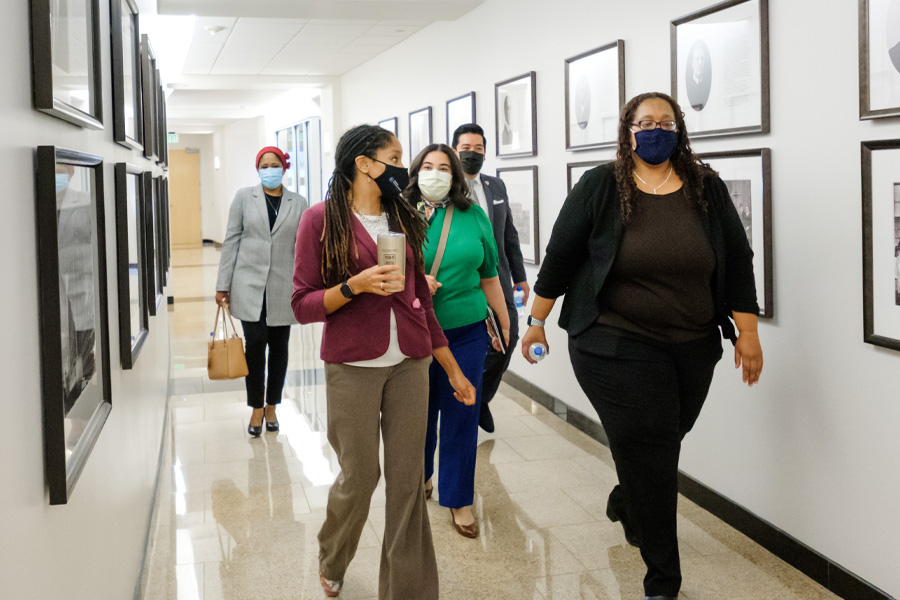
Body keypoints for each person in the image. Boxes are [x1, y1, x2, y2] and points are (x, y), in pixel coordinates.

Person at [521, 92, 764, 600]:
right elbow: (561, 257)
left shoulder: (705, 188)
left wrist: (749, 333)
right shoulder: (600, 186)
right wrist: (536, 321)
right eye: (646, 122)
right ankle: (663, 581)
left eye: (666, 121)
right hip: (613, 340)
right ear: (627, 130)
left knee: (661, 442)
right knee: (653, 447)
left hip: (694, 343)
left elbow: (738, 262)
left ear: (680, 129)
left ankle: (630, 501)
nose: (657, 129)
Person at [291, 125, 476, 599]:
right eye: (393, 157)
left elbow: (421, 302)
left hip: (410, 364)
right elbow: (302, 303)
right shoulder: (319, 220)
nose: (402, 167)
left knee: (407, 482)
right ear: (365, 164)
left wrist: (453, 370)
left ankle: (406, 591)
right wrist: (356, 285)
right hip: (352, 364)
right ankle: (333, 554)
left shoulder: (405, 216)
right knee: (361, 477)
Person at [402, 143, 510, 538]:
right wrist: (414, 283)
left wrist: (503, 319)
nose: (435, 174)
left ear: (455, 175)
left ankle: (459, 499)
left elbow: (489, 274)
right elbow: (382, 271)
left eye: (443, 168)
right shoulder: (397, 216)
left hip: (465, 332)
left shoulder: (473, 215)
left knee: (463, 415)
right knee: (418, 416)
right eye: (427, 166)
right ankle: (422, 477)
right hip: (414, 334)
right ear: (416, 172)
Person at [215, 146, 308, 437]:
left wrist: (308, 285)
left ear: (284, 168)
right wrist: (222, 284)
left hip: (284, 287)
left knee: (279, 349)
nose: (270, 170)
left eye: (275, 164)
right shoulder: (244, 197)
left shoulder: (298, 202)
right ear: (258, 169)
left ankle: (272, 406)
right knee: (255, 345)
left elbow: (304, 248)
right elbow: (231, 240)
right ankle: (256, 406)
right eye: (264, 165)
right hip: (248, 284)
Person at [452, 123, 529, 432]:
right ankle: (460, 397)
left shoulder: (496, 186)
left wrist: (520, 275)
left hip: (496, 277)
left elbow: (509, 233)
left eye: (478, 149)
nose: (472, 154)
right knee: (469, 341)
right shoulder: (443, 189)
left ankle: (480, 396)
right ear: (454, 150)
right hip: (461, 279)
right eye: (466, 149)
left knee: (506, 340)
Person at [685, 40, 711, 111]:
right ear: (692, 63)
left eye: (702, 59)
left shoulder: (707, 85)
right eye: (697, 59)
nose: (700, 62)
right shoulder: (689, 87)